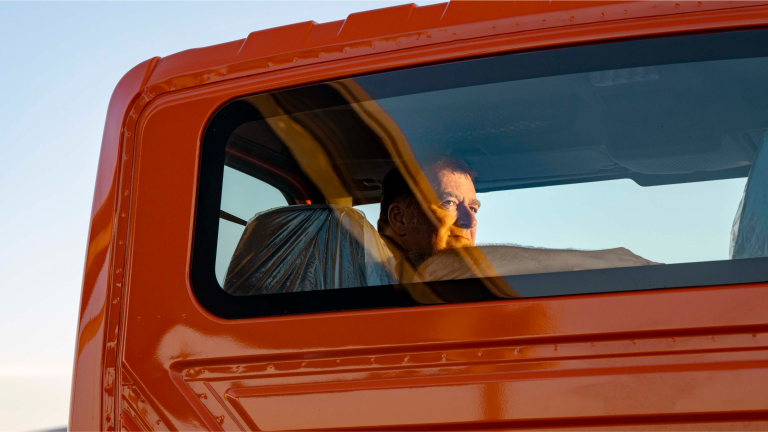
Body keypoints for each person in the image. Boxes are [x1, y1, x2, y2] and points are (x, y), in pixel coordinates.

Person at [377, 157, 658, 282]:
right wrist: (596, 262)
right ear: (399, 218)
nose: (468, 222)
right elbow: (436, 268)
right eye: (448, 203)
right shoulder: (386, 271)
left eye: (473, 208)